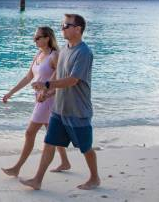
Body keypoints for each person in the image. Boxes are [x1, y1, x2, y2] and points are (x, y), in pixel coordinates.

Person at [21, 13, 100, 190]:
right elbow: (60, 75)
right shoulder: (64, 50)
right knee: (49, 143)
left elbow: (72, 80)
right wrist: (47, 93)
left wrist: (46, 84)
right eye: (62, 25)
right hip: (59, 109)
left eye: (66, 25)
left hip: (77, 110)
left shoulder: (84, 53)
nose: (62, 28)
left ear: (78, 29)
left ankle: (95, 178)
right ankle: (37, 180)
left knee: (85, 148)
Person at [1, 26, 70, 177]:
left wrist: (47, 92)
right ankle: (65, 162)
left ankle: (17, 168)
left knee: (29, 132)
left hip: (48, 100)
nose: (35, 40)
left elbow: (61, 79)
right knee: (51, 133)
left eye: (38, 37)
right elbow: (28, 77)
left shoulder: (55, 56)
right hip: (39, 98)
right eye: (34, 37)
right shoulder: (39, 54)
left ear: (47, 38)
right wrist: (10, 93)